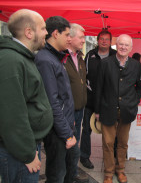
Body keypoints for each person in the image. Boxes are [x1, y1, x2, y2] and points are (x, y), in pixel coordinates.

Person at [0, 9, 53, 182]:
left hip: (24, 146)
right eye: (43, 28)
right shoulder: (11, 60)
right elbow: (12, 115)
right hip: (17, 152)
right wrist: (28, 155)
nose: (47, 32)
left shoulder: (22, 57)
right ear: (29, 32)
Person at [35, 16, 79, 183]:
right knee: (56, 174)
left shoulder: (55, 57)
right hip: (58, 131)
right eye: (67, 35)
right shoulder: (45, 60)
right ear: (55, 33)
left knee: (69, 168)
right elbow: (52, 102)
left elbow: (63, 96)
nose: (70, 38)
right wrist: (67, 134)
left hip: (65, 125)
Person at [95, 34, 141, 183]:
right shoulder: (105, 63)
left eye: (126, 45)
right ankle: (108, 173)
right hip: (108, 108)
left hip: (126, 110)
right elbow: (99, 88)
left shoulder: (136, 65)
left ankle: (120, 170)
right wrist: (97, 110)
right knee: (108, 143)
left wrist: (133, 101)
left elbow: (140, 87)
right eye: (121, 44)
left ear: (130, 48)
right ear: (116, 45)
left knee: (123, 143)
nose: (123, 47)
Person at [80, 30, 117, 169]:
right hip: (91, 99)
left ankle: (113, 157)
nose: (104, 41)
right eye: (101, 39)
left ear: (110, 42)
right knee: (86, 129)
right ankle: (84, 156)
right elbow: (84, 75)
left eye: (107, 39)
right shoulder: (90, 55)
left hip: (109, 101)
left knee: (112, 130)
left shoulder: (115, 56)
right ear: (97, 40)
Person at [64, 23, 87, 143]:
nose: (83, 41)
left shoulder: (79, 57)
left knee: (75, 141)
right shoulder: (61, 57)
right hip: (67, 111)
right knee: (66, 143)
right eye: (81, 37)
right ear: (70, 38)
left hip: (79, 108)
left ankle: (73, 161)